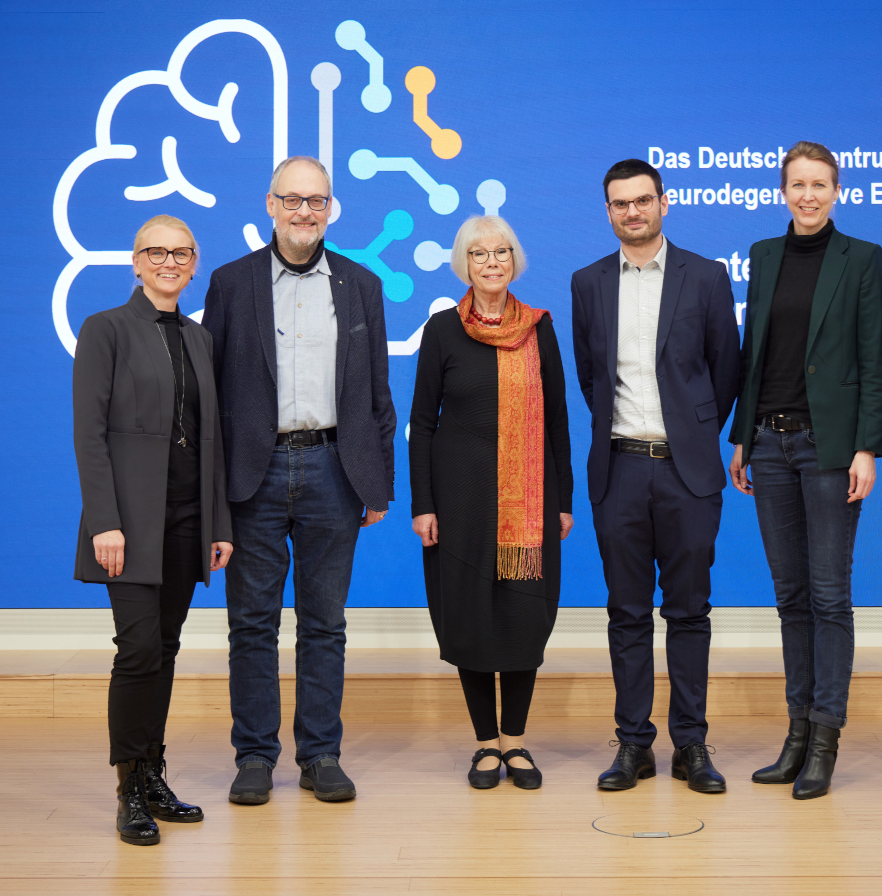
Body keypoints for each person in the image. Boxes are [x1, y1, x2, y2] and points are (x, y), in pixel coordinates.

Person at [202, 156, 397, 805]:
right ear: (270, 204)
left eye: (318, 201)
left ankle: (320, 754)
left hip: (335, 470)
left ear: (331, 208)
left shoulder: (362, 285)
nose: (306, 212)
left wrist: (379, 482)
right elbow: (212, 394)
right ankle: (255, 755)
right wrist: (212, 493)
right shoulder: (231, 284)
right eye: (294, 200)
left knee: (324, 624)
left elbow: (377, 392)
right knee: (252, 624)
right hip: (253, 476)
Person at [572, 159, 741, 793]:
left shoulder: (707, 276)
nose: (633, 212)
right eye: (620, 204)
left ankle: (691, 745)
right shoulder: (587, 283)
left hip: (686, 473)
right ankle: (633, 744)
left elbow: (726, 369)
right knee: (626, 613)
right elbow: (592, 378)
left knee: (690, 612)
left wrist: (695, 433)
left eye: (643, 201)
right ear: (609, 211)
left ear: (664, 204)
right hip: (617, 470)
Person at [727, 141, 882, 799]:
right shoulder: (764, 256)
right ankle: (795, 736)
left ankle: (825, 740)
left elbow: (874, 361)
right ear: (783, 191)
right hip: (768, 443)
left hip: (829, 450)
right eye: (797, 184)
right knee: (791, 598)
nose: (808, 195)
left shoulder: (863, 259)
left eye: (819, 184)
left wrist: (867, 447)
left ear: (837, 190)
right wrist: (740, 436)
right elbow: (753, 354)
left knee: (828, 597)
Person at [73, 215, 232, 845]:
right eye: (156, 252)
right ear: (135, 262)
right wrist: (105, 521)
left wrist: (219, 522)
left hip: (189, 517)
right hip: (129, 523)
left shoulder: (199, 338)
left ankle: (154, 773)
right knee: (137, 650)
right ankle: (128, 789)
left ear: (194, 263)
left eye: (181, 252)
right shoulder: (105, 329)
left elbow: (212, 438)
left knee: (164, 650)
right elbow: (89, 434)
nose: (169, 261)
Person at [409, 215, 574, 790]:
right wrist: (423, 503)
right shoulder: (441, 331)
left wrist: (564, 498)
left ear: (515, 260)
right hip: (459, 506)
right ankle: (485, 744)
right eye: (479, 254)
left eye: (501, 251)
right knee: (471, 617)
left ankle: (517, 742)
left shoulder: (539, 329)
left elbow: (558, 418)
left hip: (530, 505)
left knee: (523, 616)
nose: (492, 262)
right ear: (465, 265)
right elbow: (422, 424)